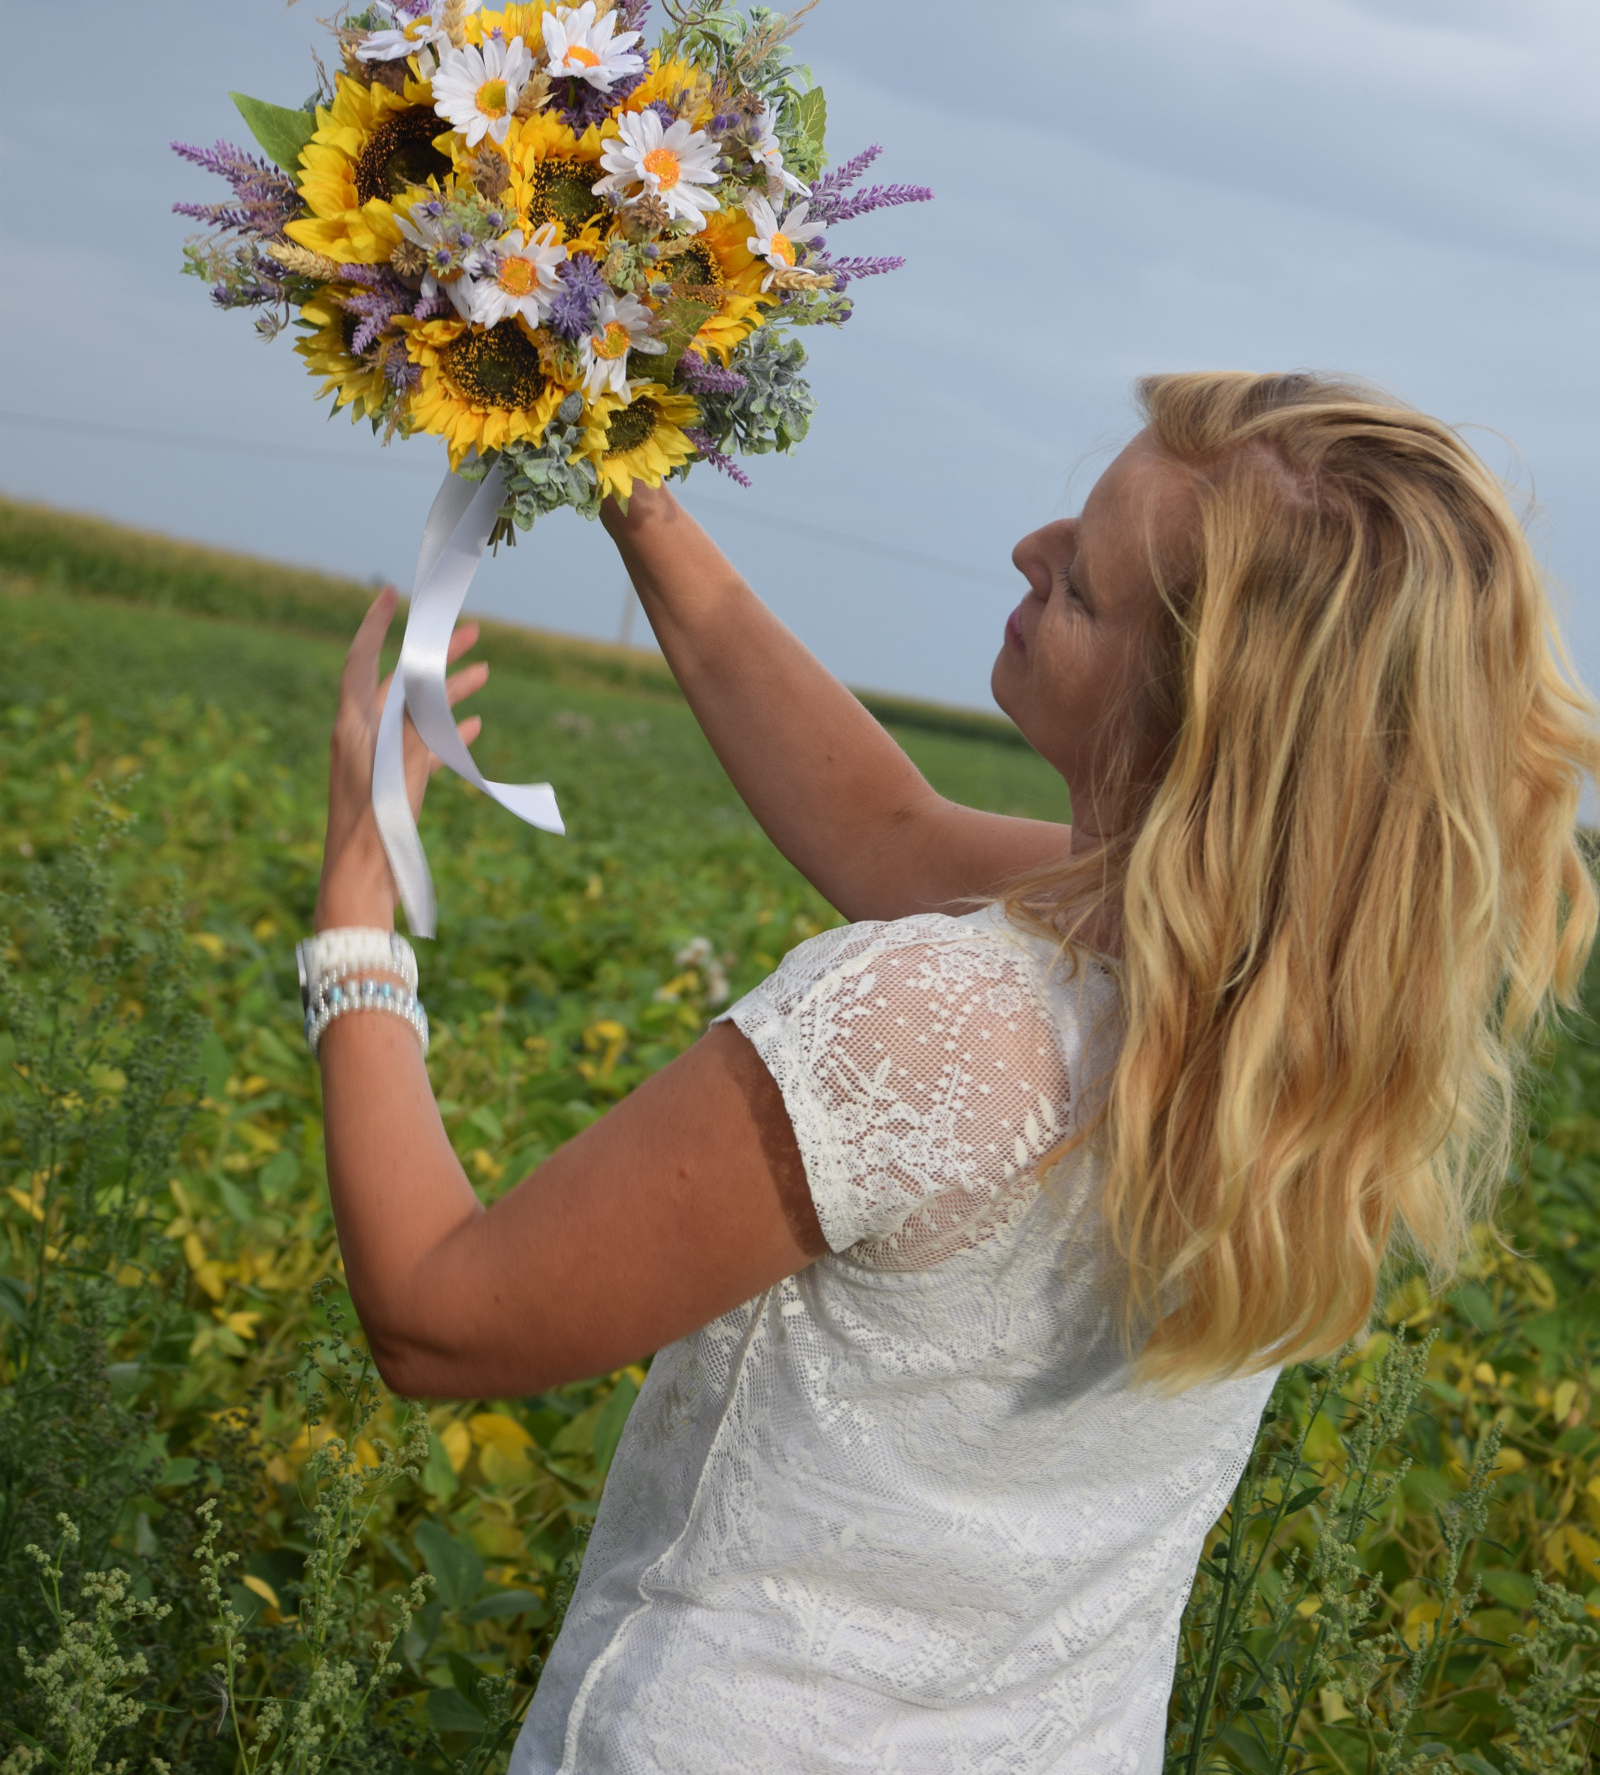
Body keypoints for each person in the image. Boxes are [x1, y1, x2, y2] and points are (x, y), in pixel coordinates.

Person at [308, 371, 1598, 1774]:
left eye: (1083, 587)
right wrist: (636, 488)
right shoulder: (1300, 996)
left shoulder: (929, 1021)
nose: (1028, 553)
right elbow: (890, 832)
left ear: (1193, 715)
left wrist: (358, 913)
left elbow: (440, 1319)